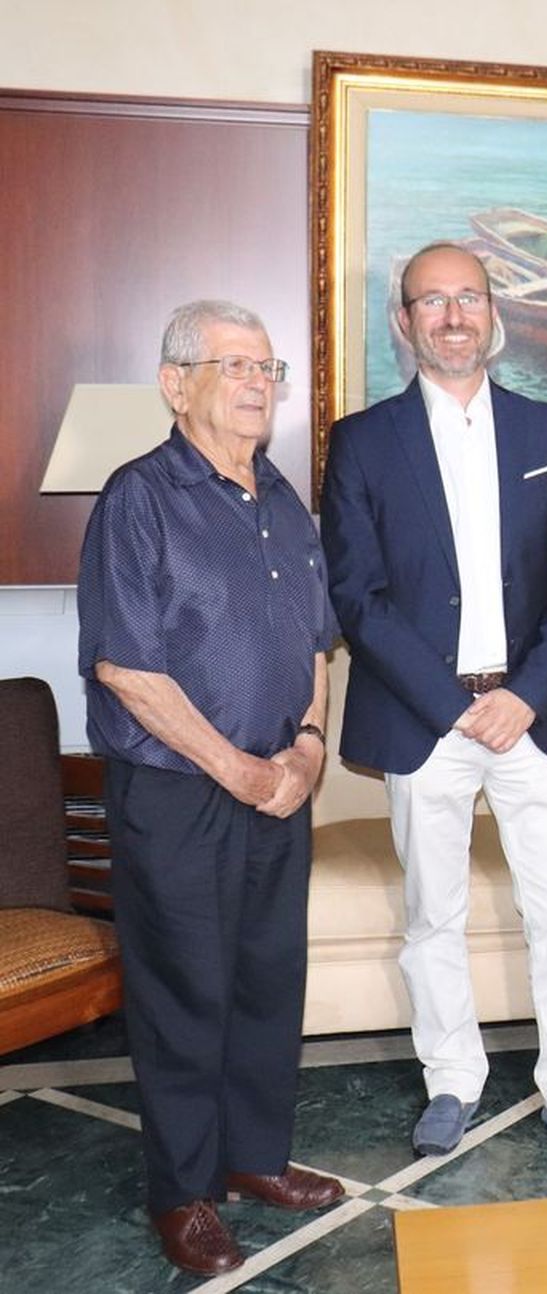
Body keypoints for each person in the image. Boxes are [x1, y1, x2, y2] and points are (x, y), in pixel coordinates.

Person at [320, 242, 547, 1162]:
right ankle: (451, 1081)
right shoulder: (365, 442)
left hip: (535, 720)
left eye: (469, 297)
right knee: (434, 915)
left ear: (494, 313)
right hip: (426, 723)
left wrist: (523, 696)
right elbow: (358, 596)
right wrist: (455, 706)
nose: (453, 315)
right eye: (432, 301)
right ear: (404, 321)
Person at [77, 300, 344, 1275]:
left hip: (280, 786)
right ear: (174, 382)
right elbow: (126, 668)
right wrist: (235, 769)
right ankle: (183, 1191)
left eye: (266, 366)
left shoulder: (281, 497)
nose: (255, 382)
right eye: (232, 364)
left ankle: (253, 1159)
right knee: (184, 992)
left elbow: (318, 641)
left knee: (269, 980)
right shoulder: (137, 498)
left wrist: (309, 748)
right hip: (180, 796)